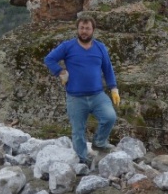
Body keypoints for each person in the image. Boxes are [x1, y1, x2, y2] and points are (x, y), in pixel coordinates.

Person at [43, 10, 119, 164]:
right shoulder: (67, 46)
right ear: (78, 29)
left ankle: (99, 143)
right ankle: (83, 160)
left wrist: (113, 88)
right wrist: (60, 71)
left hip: (98, 95)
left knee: (110, 117)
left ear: (93, 30)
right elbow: (49, 59)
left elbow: (108, 69)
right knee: (78, 131)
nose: (84, 31)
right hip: (75, 97)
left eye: (87, 28)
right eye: (82, 28)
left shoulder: (100, 48)